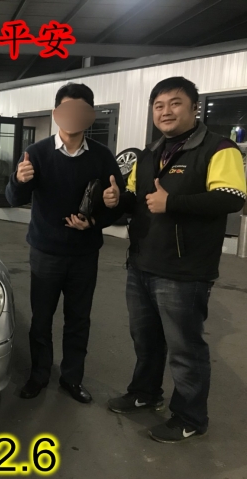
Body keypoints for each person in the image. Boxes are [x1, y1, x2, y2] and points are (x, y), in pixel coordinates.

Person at [103, 76, 247, 443]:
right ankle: (145, 393)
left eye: (175, 103)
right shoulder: (149, 154)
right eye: (159, 105)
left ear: (194, 107)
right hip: (142, 263)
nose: (166, 111)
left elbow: (231, 198)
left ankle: (190, 417)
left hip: (185, 270)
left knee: (185, 348)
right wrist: (117, 200)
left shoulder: (219, 148)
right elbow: (136, 199)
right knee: (145, 340)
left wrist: (173, 203)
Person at [6, 83, 125, 404]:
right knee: (41, 319)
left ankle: (72, 378)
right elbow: (12, 198)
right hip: (45, 253)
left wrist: (100, 215)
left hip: (84, 254)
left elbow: (118, 204)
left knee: (78, 320)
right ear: (56, 113)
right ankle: (39, 375)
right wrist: (18, 180)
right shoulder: (37, 153)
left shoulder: (102, 156)